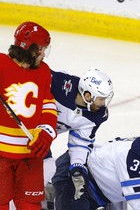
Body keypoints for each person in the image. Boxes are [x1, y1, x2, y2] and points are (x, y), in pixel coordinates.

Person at [0, 21, 57, 209]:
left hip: (30, 155)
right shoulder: (1, 64)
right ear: (29, 48)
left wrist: (46, 131)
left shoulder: (43, 71)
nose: (43, 53)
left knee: (30, 206)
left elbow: (48, 106)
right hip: (1, 155)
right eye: (41, 49)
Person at [42, 67, 114, 209]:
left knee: (47, 168)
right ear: (87, 95)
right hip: (19, 128)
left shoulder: (97, 115)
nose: (103, 104)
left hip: (41, 139)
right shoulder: (59, 84)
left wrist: (78, 166)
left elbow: (81, 142)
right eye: (101, 99)